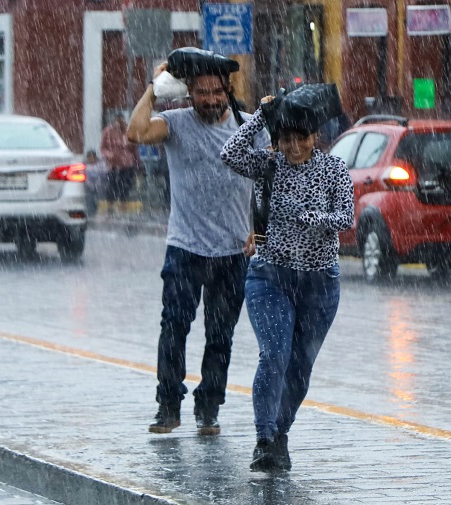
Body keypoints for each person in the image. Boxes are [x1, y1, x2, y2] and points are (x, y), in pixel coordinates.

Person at [126, 50, 270, 436]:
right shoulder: (175, 123)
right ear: (188, 93)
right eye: (201, 92)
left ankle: (209, 407)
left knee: (220, 335)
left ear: (227, 90)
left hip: (233, 251)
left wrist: (261, 231)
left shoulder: (250, 127)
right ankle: (168, 406)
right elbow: (135, 131)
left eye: (216, 91)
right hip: (185, 247)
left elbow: (269, 182)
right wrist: (155, 90)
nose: (210, 99)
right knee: (173, 328)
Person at [220, 84, 354, 472]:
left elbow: (345, 217)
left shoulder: (333, 169)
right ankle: (263, 438)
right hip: (270, 277)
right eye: (285, 139)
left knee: (300, 366)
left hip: (319, 284)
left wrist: (311, 219)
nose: (293, 147)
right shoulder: (269, 164)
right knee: (274, 355)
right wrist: (262, 116)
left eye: (301, 138)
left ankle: (281, 434)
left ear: (315, 137)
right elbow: (230, 153)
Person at [100, 114, 140, 217]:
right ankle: (110, 210)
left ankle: (123, 211)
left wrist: (137, 163)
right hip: (113, 166)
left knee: (126, 188)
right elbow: (102, 148)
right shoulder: (108, 131)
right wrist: (110, 155)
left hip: (128, 165)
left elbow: (134, 149)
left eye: (122, 122)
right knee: (112, 188)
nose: (120, 124)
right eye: (119, 122)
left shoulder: (129, 130)